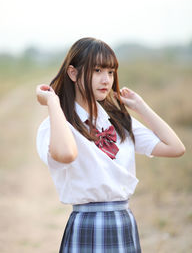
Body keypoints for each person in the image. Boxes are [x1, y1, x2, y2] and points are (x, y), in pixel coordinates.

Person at [36, 37, 185, 253]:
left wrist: (141, 107)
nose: (106, 79)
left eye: (110, 72)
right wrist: (52, 103)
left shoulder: (119, 122)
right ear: (73, 73)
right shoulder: (54, 125)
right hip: (86, 224)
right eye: (97, 70)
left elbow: (175, 148)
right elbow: (67, 153)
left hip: (123, 221)